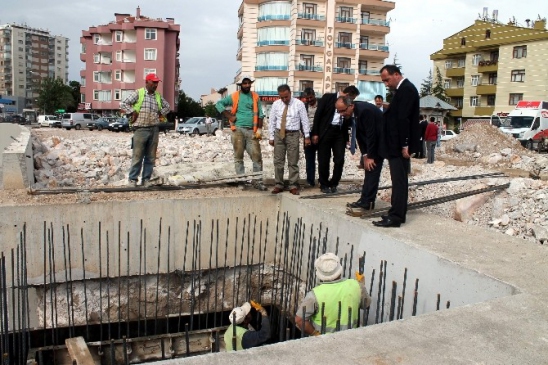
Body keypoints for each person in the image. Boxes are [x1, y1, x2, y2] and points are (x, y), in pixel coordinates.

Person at [374, 65, 420, 228]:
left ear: (396, 75)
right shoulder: (402, 90)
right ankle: (395, 213)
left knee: (399, 181)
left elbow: (404, 119)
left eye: (387, 79)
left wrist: (405, 144)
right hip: (396, 145)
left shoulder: (407, 90)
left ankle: (396, 216)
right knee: (397, 180)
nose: (386, 84)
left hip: (399, 146)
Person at [295, 253, 371, 335]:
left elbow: (299, 320)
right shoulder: (356, 285)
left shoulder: (314, 295)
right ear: (339, 271)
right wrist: (362, 287)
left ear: (320, 275)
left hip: (324, 343)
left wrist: (315, 333)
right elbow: (366, 305)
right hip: (350, 338)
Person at [216, 75, 267, 190]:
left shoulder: (255, 97)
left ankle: (257, 181)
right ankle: (241, 181)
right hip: (238, 130)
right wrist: (229, 115)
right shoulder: (234, 96)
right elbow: (218, 104)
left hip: (251, 131)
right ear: (240, 85)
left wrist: (259, 129)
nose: (247, 85)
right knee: (239, 157)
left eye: (249, 83)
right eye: (245, 83)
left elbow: (260, 114)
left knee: (257, 157)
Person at [120, 73, 170, 187]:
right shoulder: (139, 93)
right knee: (137, 156)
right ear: (147, 82)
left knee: (150, 157)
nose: (155, 85)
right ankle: (132, 179)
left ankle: (146, 179)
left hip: (154, 129)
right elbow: (123, 104)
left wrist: (160, 113)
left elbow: (167, 106)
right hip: (140, 129)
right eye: (153, 82)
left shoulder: (157, 96)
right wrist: (132, 111)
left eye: (157, 82)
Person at [312, 85, 360, 194]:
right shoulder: (328, 98)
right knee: (323, 159)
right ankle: (324, 183)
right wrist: (315, 133)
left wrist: (347, 138)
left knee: (339, 159)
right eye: (352, 98)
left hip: (339, 133)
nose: (352, 101)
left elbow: (347, 120)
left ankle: (334, 183)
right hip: (326, 131)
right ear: (347, 94)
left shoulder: (349, 105)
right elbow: (318, 115)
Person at [269, 84, 311, 195]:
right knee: (278, 161)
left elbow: (305, 121)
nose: (284, 99)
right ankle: (278, 184)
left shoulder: (299, 104)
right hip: (279, 134)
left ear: (290, 93)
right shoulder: (276, 104)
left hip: (293, 134)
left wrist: (307, 136)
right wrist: (271, 137)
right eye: (281, 97)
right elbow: (272, 121)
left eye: (286, 97)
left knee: (293, 161)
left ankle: (293, 185)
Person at [347, 100, 384, 210]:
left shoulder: (365, 111)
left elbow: (371, 134)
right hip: (371, 145)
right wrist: (364, 155)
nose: (341, 114)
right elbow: (359, 135)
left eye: (343, 111)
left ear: (351, 106)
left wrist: (370, 156)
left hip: (379, 143)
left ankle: (368, 201)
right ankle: (364, 199)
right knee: (368, 171)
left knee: (372, 170)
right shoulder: (356, 112)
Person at [301, 87, 319, 186]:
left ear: (314, 95)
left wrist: (318, 134)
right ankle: (310, 180)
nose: (309, 100)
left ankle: (322, 180)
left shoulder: (321, 105)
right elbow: (301, 121)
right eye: (307, 98)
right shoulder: (304, 106)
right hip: (307, 135)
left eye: (310, 97)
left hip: (319, 135)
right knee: (309, 159)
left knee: (322, 159)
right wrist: (305, 134)